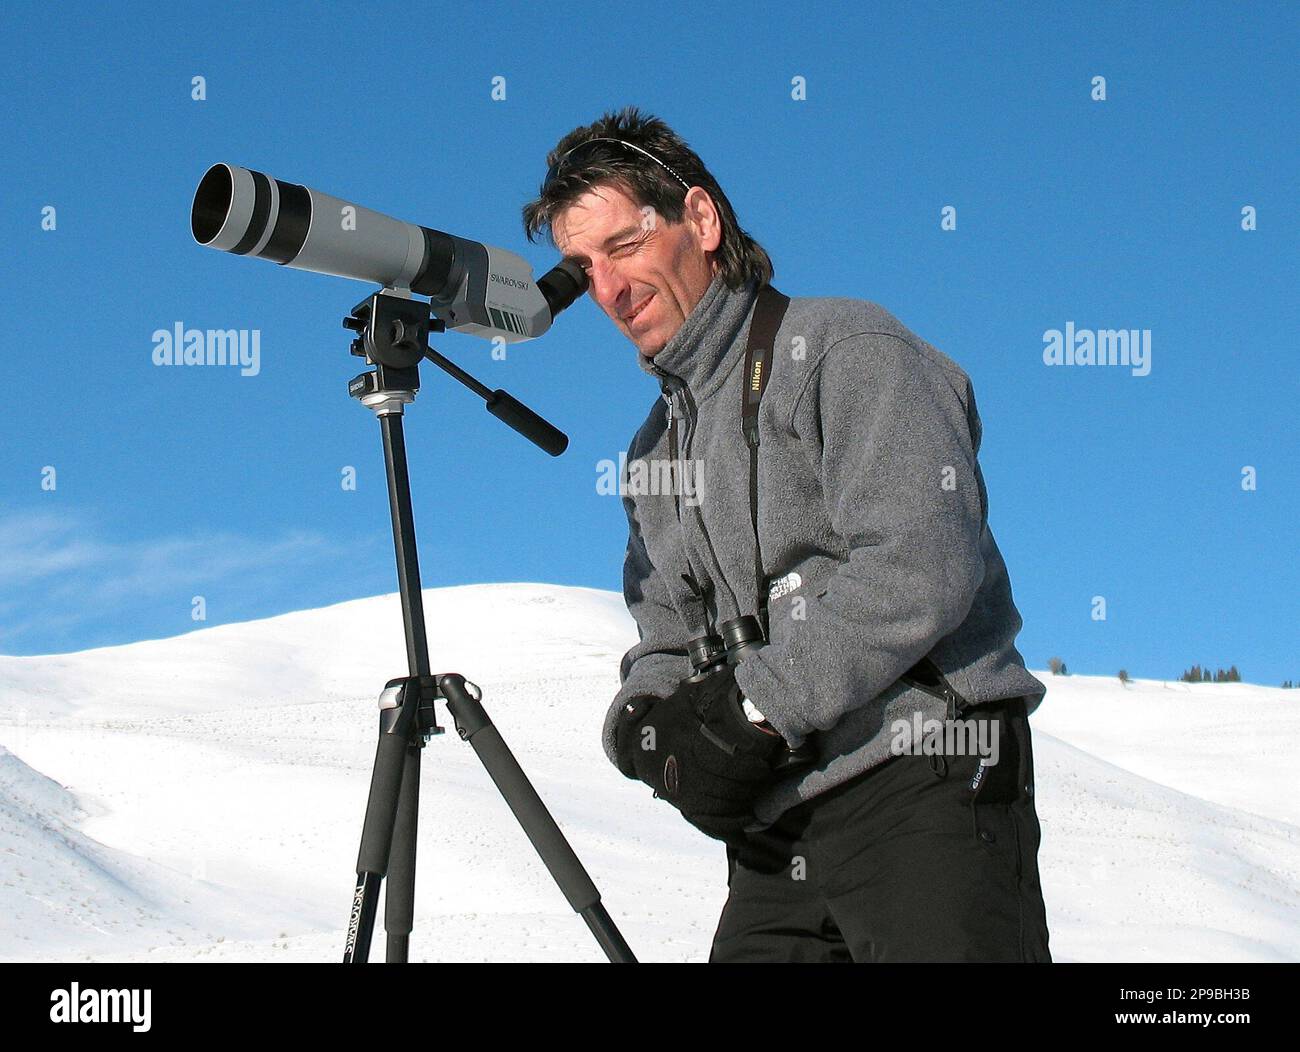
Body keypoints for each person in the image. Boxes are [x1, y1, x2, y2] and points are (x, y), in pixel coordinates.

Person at [522, 106, 1051, 963]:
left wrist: (753, 708)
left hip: (925, 778)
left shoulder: (846, 348)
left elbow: (922, 564)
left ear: (700, 218)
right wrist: (646, 730)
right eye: (583, 270)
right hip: (777, 831)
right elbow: (665, 637)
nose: (608, 292)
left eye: (623, 247)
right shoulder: (653, 452)